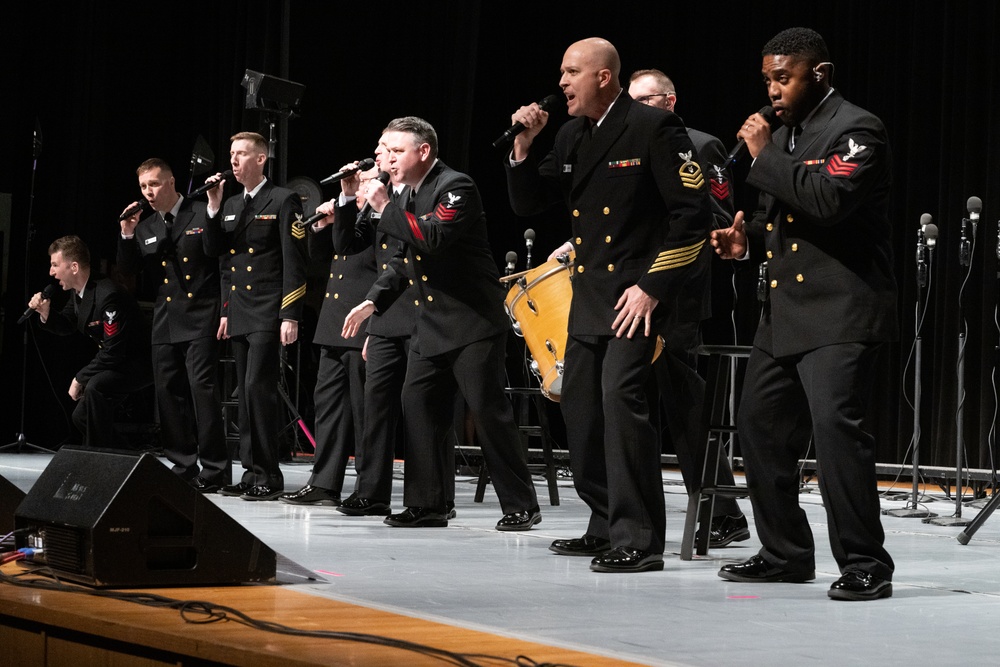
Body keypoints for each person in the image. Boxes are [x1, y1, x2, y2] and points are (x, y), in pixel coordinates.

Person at [506, 38, 715, 572]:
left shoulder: (652, 127)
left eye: (571, 72)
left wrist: (653, 286)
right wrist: (525, 147)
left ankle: (639, 537)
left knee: (623, 406)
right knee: (581, 410)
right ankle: (603, 522)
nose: (562, 82)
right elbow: (531, 201)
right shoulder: (574, 134)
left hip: (636, 297)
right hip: (590, 298)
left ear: (604, 76)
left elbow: (690, 216)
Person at [710, 27, 896, 601]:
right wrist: (747, 245)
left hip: (841, 310)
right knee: (760, 429)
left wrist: (764, 155)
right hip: (783, 312)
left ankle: (866, 561)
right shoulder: (786, 138)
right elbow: (784, 223)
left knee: (838, 436)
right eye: (767, 78)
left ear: (819, 73)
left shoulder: (858, 129)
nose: (772, 90)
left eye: (783, 78)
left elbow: (826, 202)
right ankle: (784, 552)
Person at [346, 116, 540, 530]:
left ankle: (521, 504)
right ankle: (428, 503)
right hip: (431, 323)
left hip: (472, 322)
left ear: (424, 151)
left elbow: (432, 238)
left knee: (488, 413)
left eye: (397, 151)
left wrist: (383, 206)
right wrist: (372, 302)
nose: (390, 159)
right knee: (418, 407)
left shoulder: (456, 186)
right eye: (387, 150)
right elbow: (404, 259)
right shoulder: (412, 195)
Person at [627, 69, 749, 548]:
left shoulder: (701, 144)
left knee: (682, 400)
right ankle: (631, 517)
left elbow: (717, 216)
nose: (633, 110)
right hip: (628, 290)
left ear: (669, 101)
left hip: (675, 294)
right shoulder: (624, 145)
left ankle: (724, 512)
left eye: (643, 101)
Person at [204, 131, 308, 501]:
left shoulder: (283, 199)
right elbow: (221, 259)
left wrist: (290, 313)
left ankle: (269, 473)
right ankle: (250, 472)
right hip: (241, 311)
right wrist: (213, 208)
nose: (233, 161)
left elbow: (294, 261)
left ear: (261, 159)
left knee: (257, 389)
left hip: (269, 308)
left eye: (242, 154)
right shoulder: (230, 203)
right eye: (231, 154)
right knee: (244, 394)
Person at [117, 158, 229, 493]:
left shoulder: (199, 211)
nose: (148, 192)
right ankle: (183, 464)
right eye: (142, 187)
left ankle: (215, 469)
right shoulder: (147, 226)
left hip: (201, 314)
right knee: (168, 394)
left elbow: (220, 259)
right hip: (166, 319)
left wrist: (224, 310)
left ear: (170, 182)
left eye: (153, 184)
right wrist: (126, 232)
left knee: (202, 391)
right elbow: (128, 270)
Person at [278, 166, 378, 506]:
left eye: (366, 182)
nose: (361, 187)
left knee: (365, 413)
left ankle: (368, 488)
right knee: (329, 408)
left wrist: (374, 328)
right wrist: (320, 227)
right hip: (334, 323)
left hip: (362, 323)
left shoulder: (380, 217)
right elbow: (321, 262)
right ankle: (324, 481)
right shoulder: (348, 218)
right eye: (360, 182)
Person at [28, 235, 152, 447]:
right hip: (117, 362)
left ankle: (96, 461)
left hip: (137, 364)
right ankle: (126, 457)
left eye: (55, 265)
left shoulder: (107, 294)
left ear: (73, 267)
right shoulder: (81, 291)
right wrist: (46, 313)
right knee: (82, 417)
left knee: (95, 387)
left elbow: (113, 351)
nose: (51, 272)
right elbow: (68, 323)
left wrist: (80, 378)